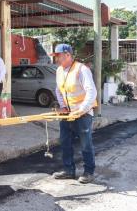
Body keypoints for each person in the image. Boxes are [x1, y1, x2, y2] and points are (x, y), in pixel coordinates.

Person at [51, 44, 97, 184]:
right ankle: (69, 170)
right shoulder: (59, 70)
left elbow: (92, 91)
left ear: (68, 55)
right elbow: (59, 90)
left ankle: (89, 172)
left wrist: (82, 109)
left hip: (83, 114)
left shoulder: (82, 69)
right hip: (68, 114)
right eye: (56, 56)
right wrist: (63, 106)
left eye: (58, 56)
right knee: (65, 142)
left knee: (85, 144)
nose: (57, 59)